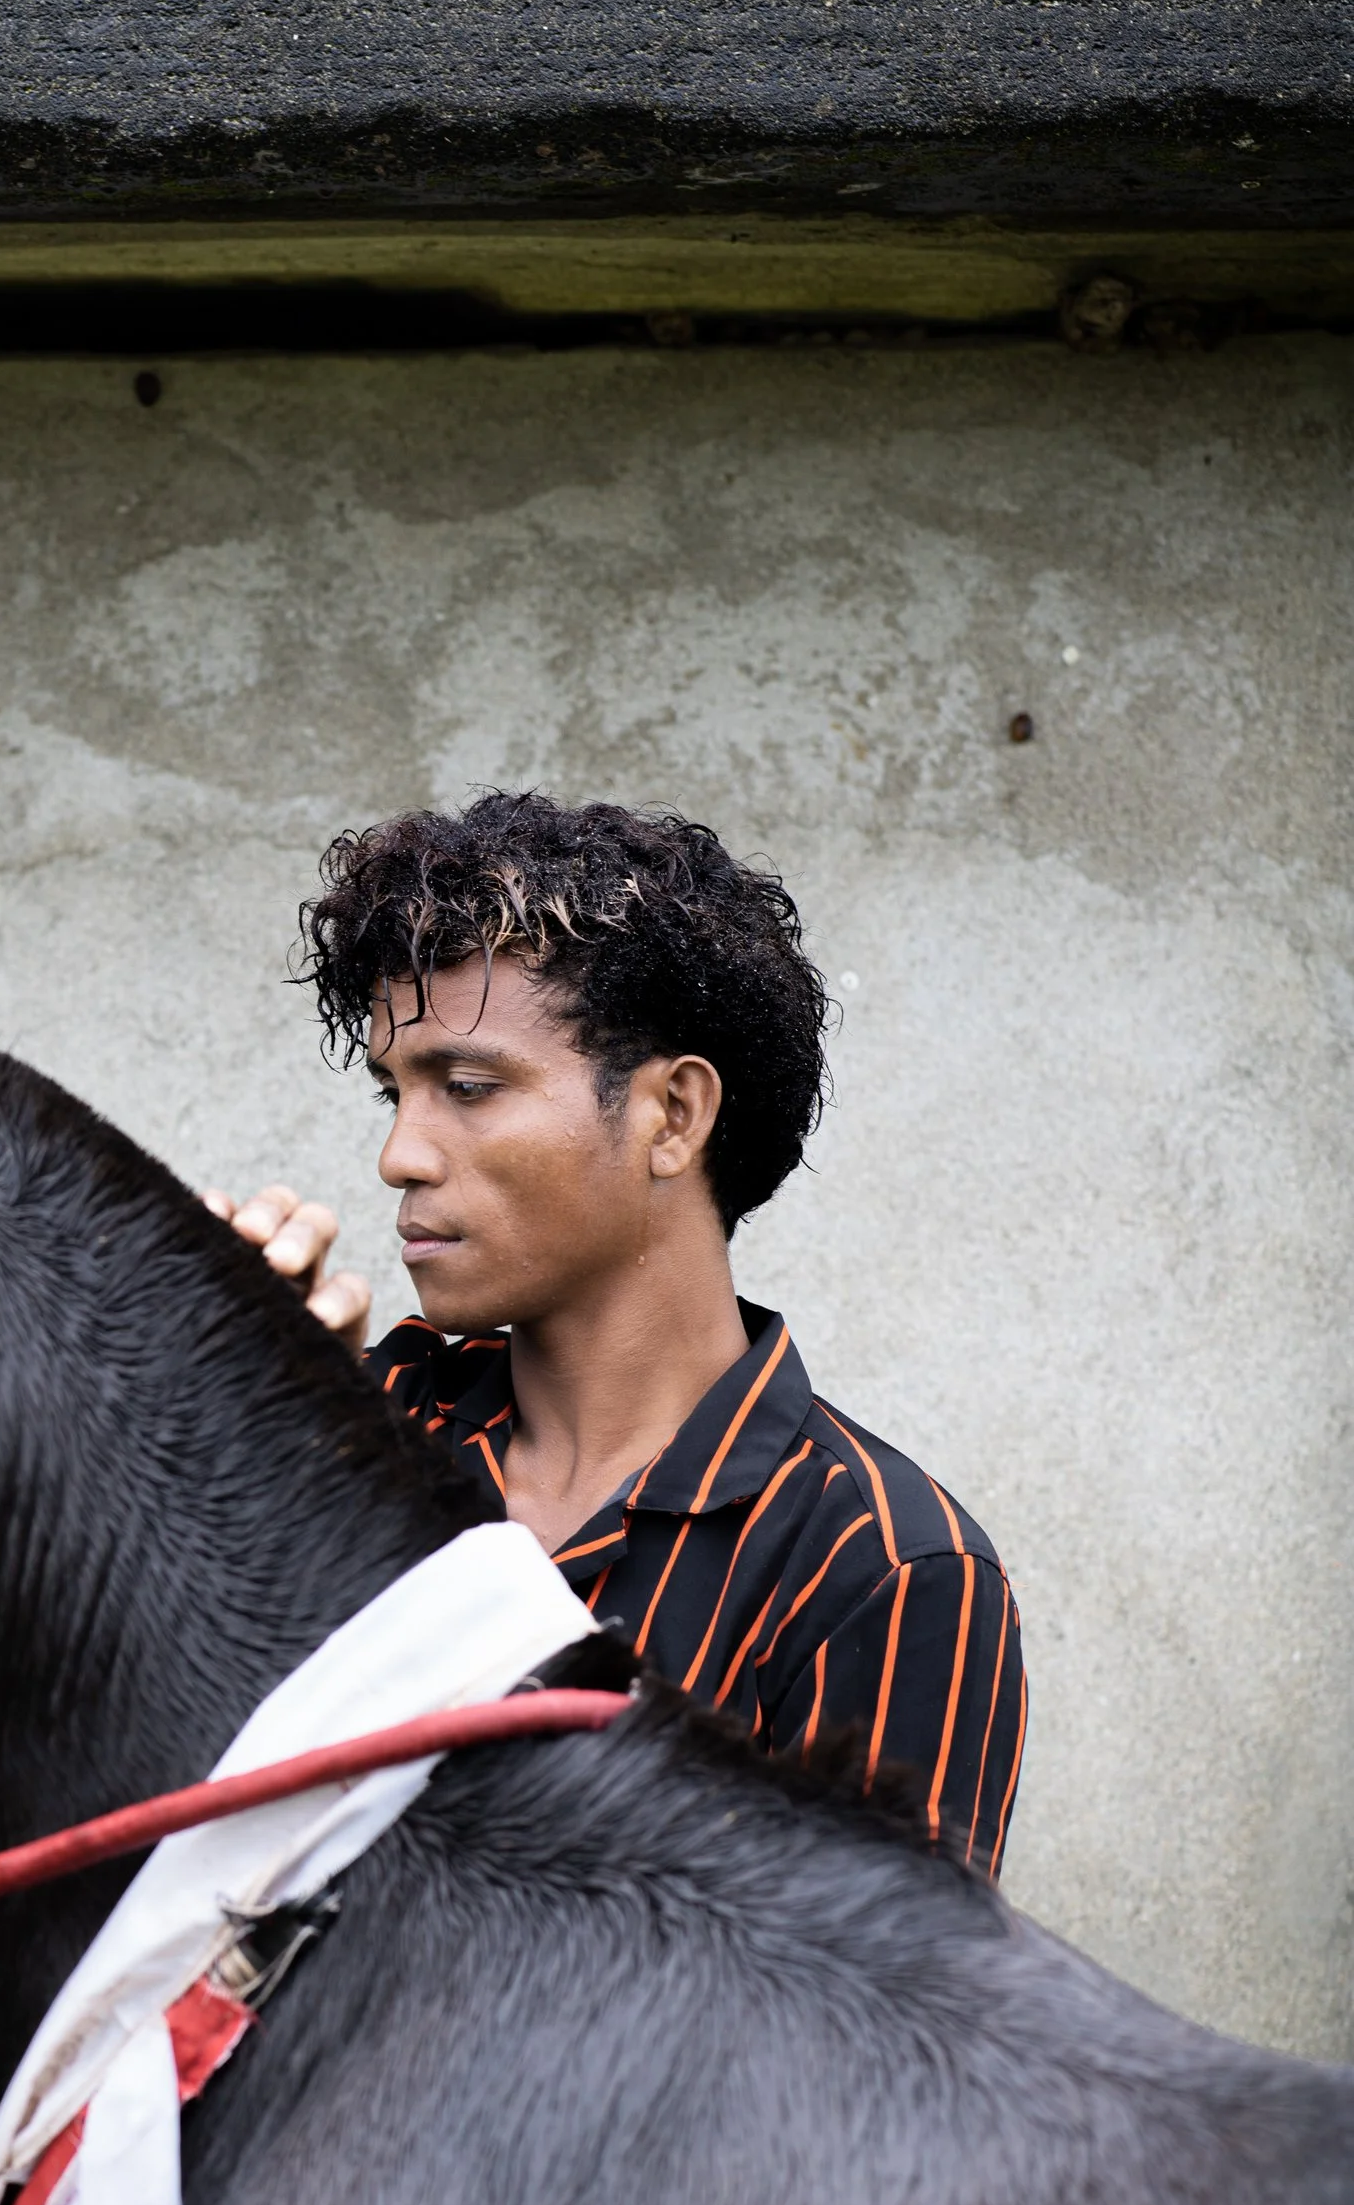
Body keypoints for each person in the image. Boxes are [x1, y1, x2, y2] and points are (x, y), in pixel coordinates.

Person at [212, 791, 1025, 1875]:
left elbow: (861, 2029)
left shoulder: (884, 1566)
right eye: (390, 1097)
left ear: (673, 1116)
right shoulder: (361, 1431)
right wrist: (215, 1422)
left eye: (464, 1086)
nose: (399, 1155)